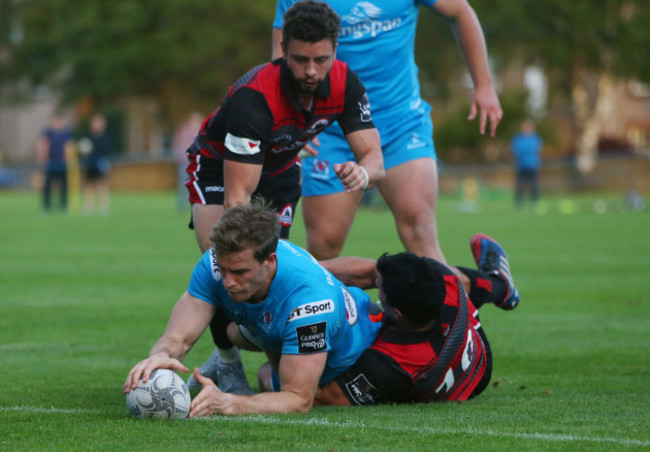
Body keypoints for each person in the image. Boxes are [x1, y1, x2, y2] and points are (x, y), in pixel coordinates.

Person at [184, 0, 384, 395]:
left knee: (270, 274)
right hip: (217, 167)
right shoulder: (254, 98)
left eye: (321, 59)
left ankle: (277, 364)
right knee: (223, 258)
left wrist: (362, 173)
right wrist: (241, 251)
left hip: (278, 172)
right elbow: (238, 196)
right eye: (300, 59)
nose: (312, 71)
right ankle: (226, 363)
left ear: (335, 50)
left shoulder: (345, 83)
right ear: (283, 51)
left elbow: (375, 159)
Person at [272, 0, 503, 262]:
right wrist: (290, 121)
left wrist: (484, 84)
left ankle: (466, 297)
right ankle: (488, 286)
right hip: (329, 128)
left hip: (401, 122)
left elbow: (460, 11)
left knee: (419, 226)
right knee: (324, 244)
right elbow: (283, 55)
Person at [124, 199, 383, 416]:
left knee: (271, 382)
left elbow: (298, 400)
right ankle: (234, 354)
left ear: (270, 261)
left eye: (239, 272)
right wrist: (160, 356)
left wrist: (228, 402)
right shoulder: (214, 264)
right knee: (234, 333)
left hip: (356, 354)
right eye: (223, 270)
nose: (228, 282)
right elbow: (176, 338)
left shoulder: (310, 305)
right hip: (278, 325)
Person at [252, 233, 520, 405]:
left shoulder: (387, 366)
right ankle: (500, 286)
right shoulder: (442, 280)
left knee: (270, 371)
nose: (374, 282)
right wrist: (301, 277)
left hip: (472, 379)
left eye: (379, 286)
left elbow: (320, 396)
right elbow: (369, 271)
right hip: (472, 340)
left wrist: (271, 342)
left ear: (397, 314)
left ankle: (499, 286)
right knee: (458, 278)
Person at [36, 111, 73, 213]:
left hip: (62, 163)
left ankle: (63, 205)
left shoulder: (66, 133)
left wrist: (69, 160)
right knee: (47, 184)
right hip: (50, 163)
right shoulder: (48, 132)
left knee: (64, 185)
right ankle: (46, 206)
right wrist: (42, 159)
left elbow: (69, 146)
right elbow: (43, 145)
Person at [79, 113, 112, 216]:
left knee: (102, 185)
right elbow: (83, 150)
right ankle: (88, 206)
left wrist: (107, 163)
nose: (97, 124)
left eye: (99, 122)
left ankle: (103, 207)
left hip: (101, 164)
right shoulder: (87, 137)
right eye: (95, 122)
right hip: (90, 164)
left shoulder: (106, 137)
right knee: (89, 185)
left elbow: (108, 153)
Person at [172, 112, 203, 211]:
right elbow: (178, 144)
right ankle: (181, 205)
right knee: (183, 183)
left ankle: (196, 203)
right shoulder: (184, 130)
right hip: (185, 161)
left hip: (198, 162)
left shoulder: (202, 131)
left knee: (197, 184)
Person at [511, 120, 542, 209]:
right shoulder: (518, 139)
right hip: (521, 165)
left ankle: (535, 202)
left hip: (532, 165)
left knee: (534, 185)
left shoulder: (535, 138)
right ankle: (518, 203)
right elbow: (517, 150)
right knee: (520, 185)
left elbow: (535, 149)